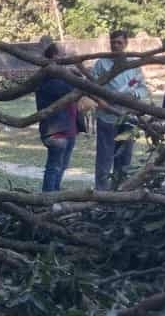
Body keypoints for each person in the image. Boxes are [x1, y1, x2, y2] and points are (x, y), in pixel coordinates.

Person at [90, 28, 149, 190]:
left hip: (128, 118)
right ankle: (101, 192)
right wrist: (100, 100)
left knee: (124, 157)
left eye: (119, 42)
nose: (116, 46)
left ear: (126, 43)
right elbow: (90, 87)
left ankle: (120, 189)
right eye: (113, 42)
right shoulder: (101, 63)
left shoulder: (133, 64)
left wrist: (133, 95)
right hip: (106, 117)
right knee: (104, 157)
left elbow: (143, 89)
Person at [34, 41, 80, 193]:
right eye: (64, 55)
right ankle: (49, 198)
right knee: (54, 167)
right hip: (57, 132)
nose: (66, 59)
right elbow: (74, 89)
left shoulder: (62, 77)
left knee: (61, 166)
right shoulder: (51, 79)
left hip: (69, 129)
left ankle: (55, 194)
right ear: (55, 57)